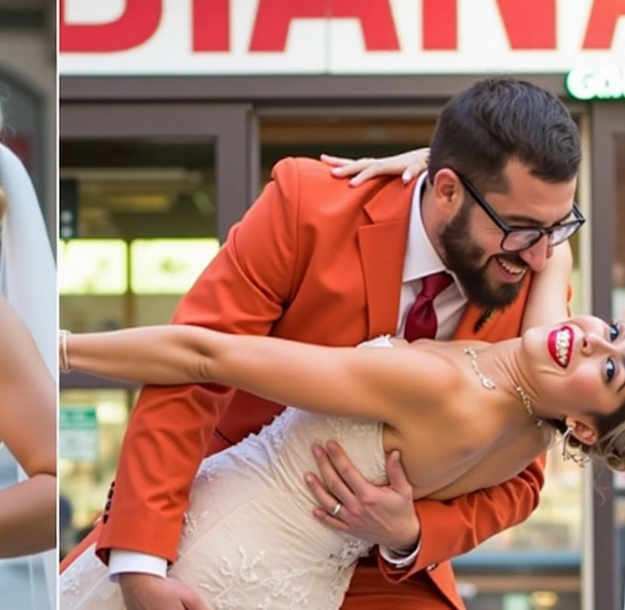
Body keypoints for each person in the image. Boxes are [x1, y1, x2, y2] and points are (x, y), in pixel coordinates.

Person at [59, 78, 591, 610]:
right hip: (228, 513)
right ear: (447, 190)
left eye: (559, 228)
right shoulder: (306, 205)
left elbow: (521, 477)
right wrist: (141, 557)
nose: (540, 256)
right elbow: (197, 367)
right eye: (521, 228)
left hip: (387, 568)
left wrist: (411, 531)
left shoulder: (533, 283)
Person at [56, 313, 625, 610]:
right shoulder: (530, 431)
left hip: (211, 548)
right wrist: (432, 162)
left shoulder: (445, 390)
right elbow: (554, 243)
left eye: (609, 368)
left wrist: (62, 349)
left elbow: (208, 358)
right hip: (297, 592)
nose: (588, 340)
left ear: (586, 426)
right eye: (613, 330)